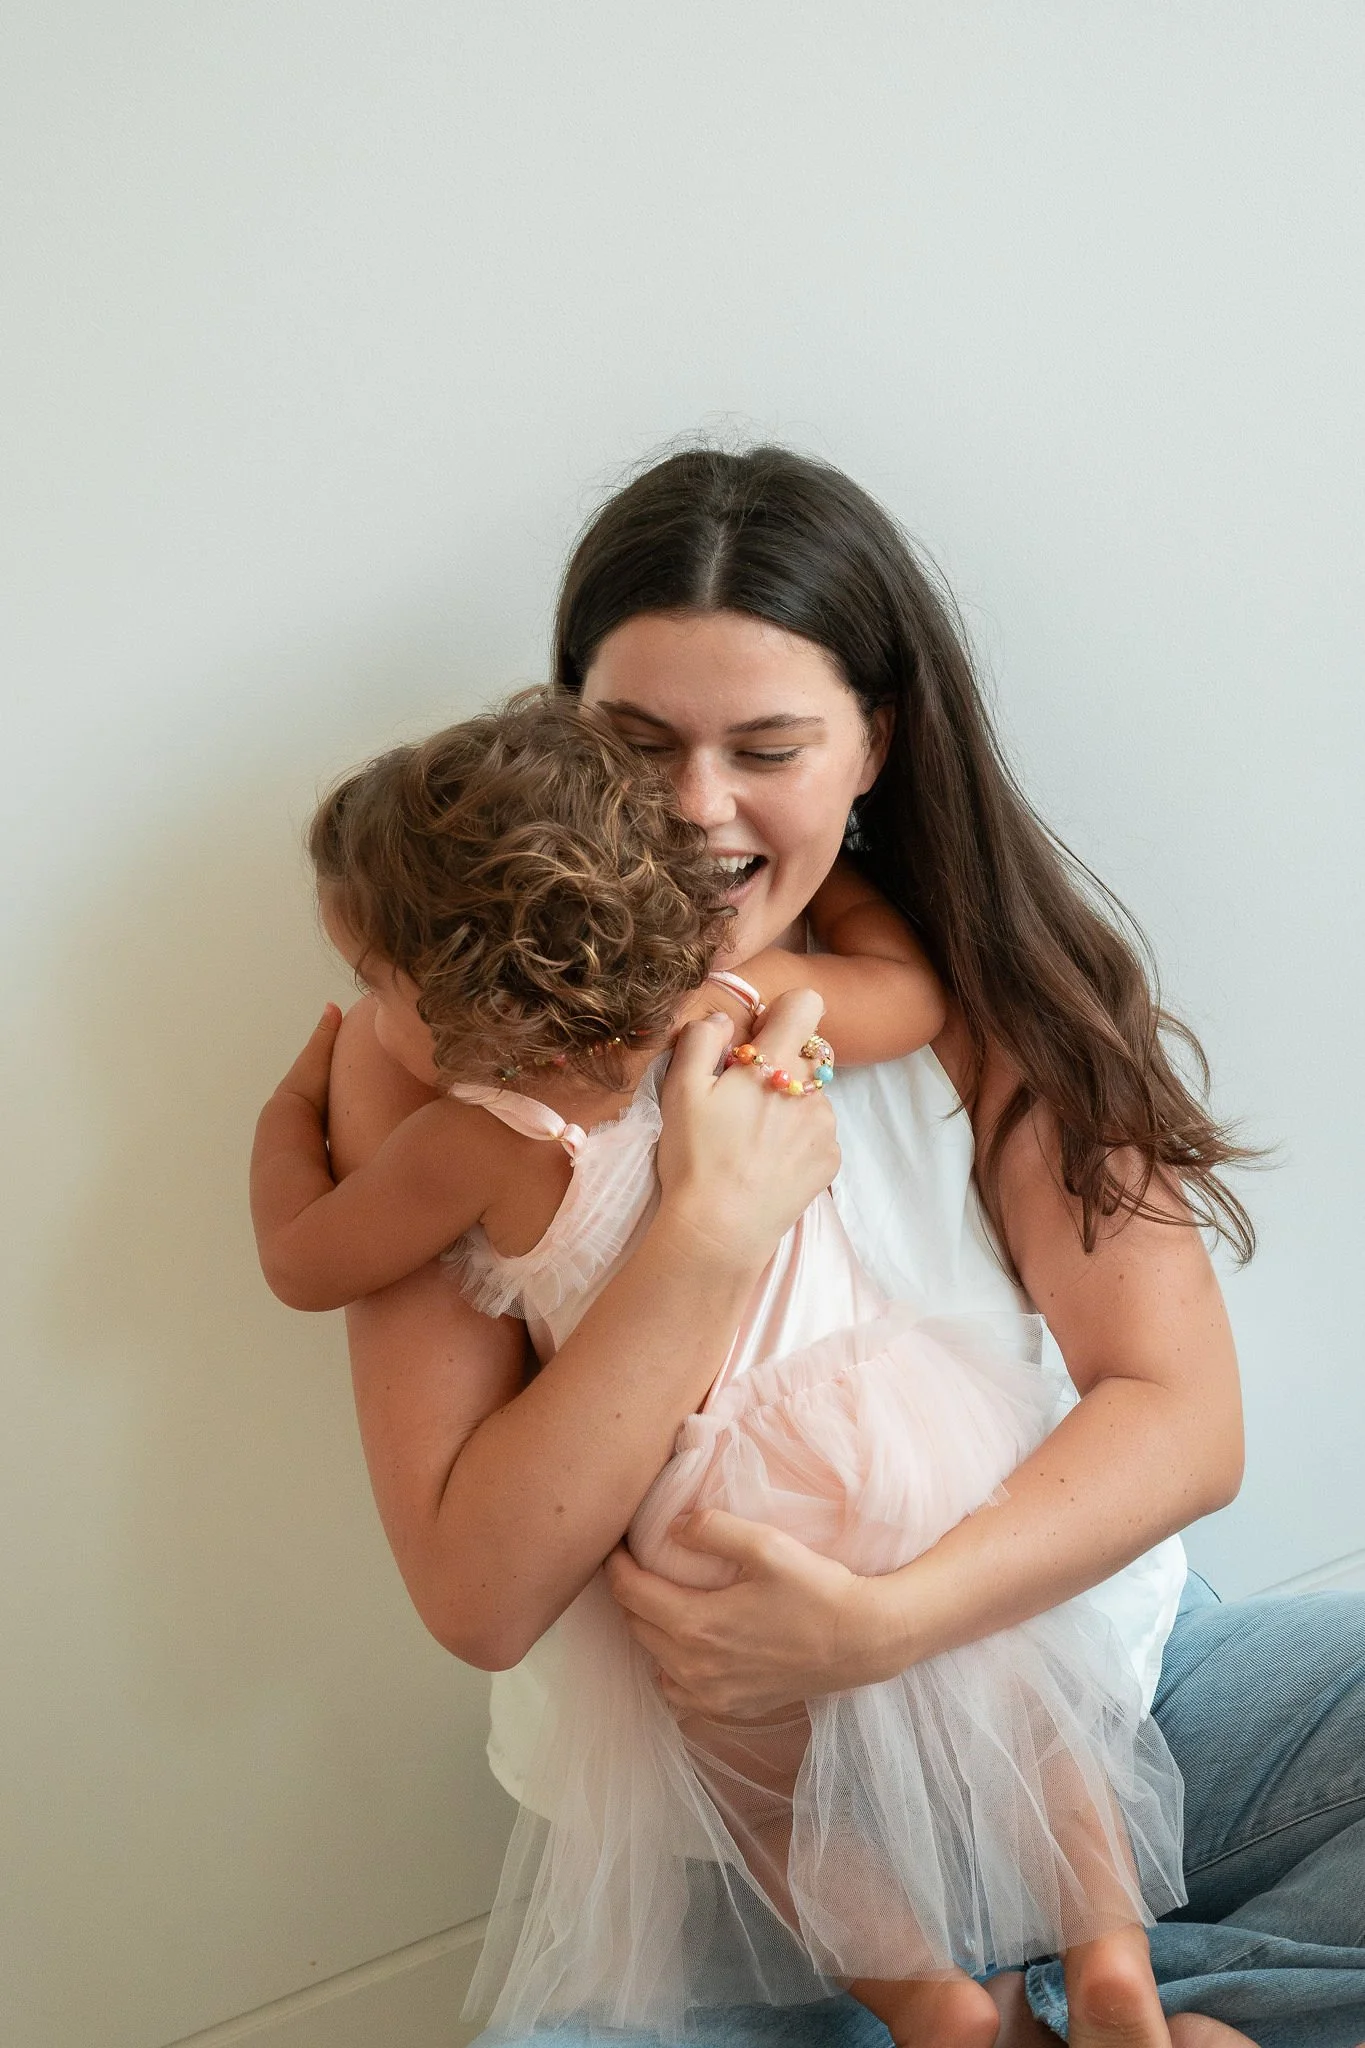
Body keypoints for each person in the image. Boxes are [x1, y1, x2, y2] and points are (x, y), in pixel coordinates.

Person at [272, 447, 1365, 2044]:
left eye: (766, 746)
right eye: (635, 743)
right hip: (727, 1809)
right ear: (556, 734)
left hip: (1090, 1687)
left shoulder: (966, 977)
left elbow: (1184, 1420)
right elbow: (483, 1597)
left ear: (874, 749)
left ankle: (1099, 1991)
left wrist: (890, 1624)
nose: (694, 807)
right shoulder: (443, 1038)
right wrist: (706, 1236)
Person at [251, 696, 1194, 2048]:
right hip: (890, 1418)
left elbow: (304, 1258)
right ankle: (1110, 1963)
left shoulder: (481, 1137)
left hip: (711, 1513)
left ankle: (934, 2006)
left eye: (365, 981)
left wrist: (286, 1120)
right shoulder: (730, 1020)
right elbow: (913, 984)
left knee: (759, 1793)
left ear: (438, 996)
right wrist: (838, 865)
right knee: (1020, 1693)